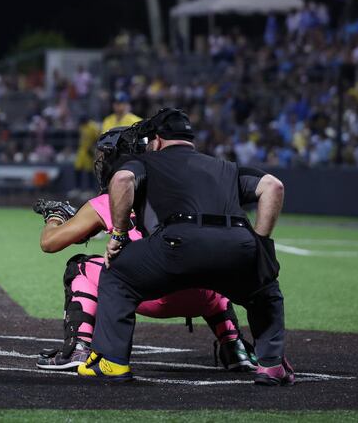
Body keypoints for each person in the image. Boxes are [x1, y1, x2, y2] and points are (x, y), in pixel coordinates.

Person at [80, 109, 291, 386]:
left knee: (116, 274)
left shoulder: (147, 162)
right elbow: (273, 187)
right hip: (237, 245)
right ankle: (271, 365)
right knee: (265, 290)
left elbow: (121, 180)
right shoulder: (224, 167)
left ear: (156, 140)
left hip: (178, 244)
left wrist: (118, 235)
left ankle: (112, 361)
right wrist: (260, 243)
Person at [35, 127, 255, 372]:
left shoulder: (111, 197)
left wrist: (55, 217)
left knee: (79, 267)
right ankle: (235, 347)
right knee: (210, 259)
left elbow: (50, 243)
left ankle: (79, 346)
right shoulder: (193, 189)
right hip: (205, 296)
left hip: (150, 292)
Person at [73, 116, 100, 191]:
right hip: (81, 149)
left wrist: (94, 149)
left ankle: (90, 189)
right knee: (77, 168)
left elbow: (98, 139)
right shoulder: (82, 126)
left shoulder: (93, 127)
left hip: (89, 150)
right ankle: (77, 188)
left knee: (89, 170)